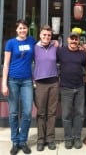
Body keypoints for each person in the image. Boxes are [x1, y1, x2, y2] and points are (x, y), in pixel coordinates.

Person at [1, 19, 35, 155]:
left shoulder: (31, 41)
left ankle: (23, 141)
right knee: (14, 112)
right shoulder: (10, 43)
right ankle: (15, 141)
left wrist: (56, 42)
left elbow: (43, 46)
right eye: (20, 28)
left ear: (27, 29)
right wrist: (4, 83)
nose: (22, 30)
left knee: (27, 112)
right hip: (13, 81)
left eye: (24, 28)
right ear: (16, 30)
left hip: (27, 81)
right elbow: (6, 64)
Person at [58, 32, 86, 149]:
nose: (74, 41)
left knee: (79, 114)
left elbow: (85, 65)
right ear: (67, 39)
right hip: (66, 88)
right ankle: (68, 138)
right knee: (66, 115)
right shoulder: (61, 52)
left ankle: (77, 138)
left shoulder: (82, 54)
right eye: (72, 39)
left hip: (79, 87)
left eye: (76, 39)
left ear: (79, 41)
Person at [33, 25, 59, 152]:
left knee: (52, 113)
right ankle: (40, 140)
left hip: (54, 82)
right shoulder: (35, 48)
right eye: (44, 35)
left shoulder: (55, 46)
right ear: (40, 35)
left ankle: (50, 139)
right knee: (41, 113)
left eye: (49, 35)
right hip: (40, 83)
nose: (47, 37)